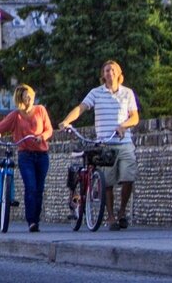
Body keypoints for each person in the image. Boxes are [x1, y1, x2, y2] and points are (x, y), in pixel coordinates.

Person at [60, 59, 141, 229]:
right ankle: (111, 217)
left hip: (124, 142)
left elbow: (134, 117)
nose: (109, 73)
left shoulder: (127, 93)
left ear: (119, 74)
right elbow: (81, 108)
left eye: (112, 70)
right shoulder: (96, 93)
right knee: (108, 182)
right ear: (103, 75)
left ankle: (122, 212)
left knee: (128, 177)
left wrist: (123, 126)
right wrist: (66, 121)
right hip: (105, 144)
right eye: (106, 71)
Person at [0, 84, 54, 231]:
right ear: (21, 99)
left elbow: (49, 129)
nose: (30, 98)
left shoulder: (40, 110)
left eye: (31, 95)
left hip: (41, 155)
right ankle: (31, 221)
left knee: (39, 189)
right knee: (31, 187)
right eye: (26, 96)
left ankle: (36, 220)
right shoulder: (16, 116)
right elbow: (1, 127)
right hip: (25, 155)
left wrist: (42, 137)